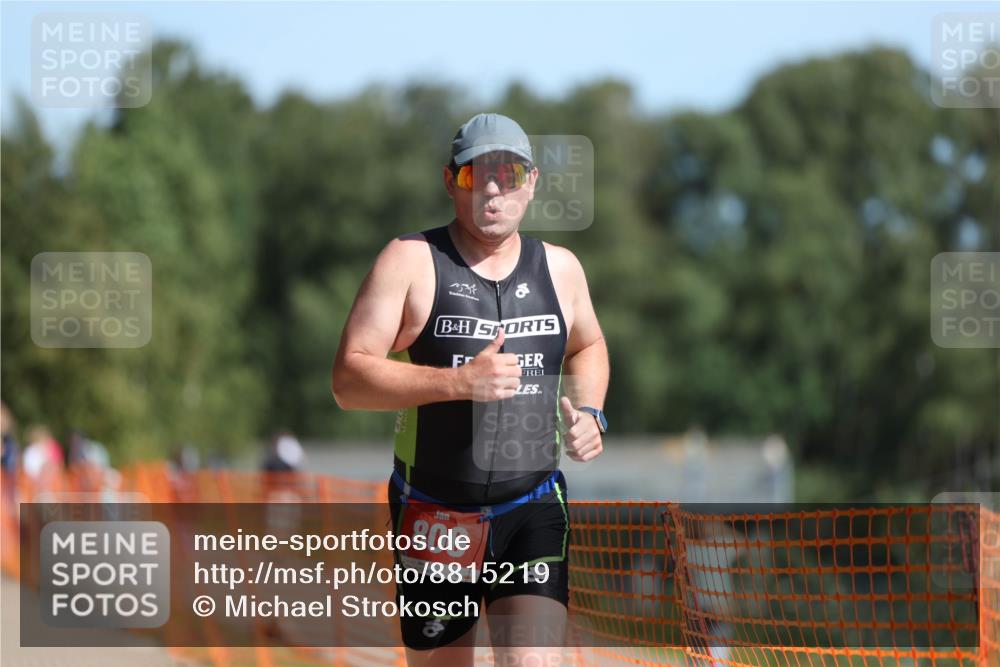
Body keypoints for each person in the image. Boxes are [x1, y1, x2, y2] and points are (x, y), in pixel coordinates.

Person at [332, 112, 609, 667]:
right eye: (472, 175)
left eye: (507, 174)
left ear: (531, 182)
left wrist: (590, 411)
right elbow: (348, 379)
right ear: (448, 181)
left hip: (531, 504)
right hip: (436, 510)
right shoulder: (410, 260)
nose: (490, 189)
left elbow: (590, 344)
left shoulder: (562, 269)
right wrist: (458, 381)